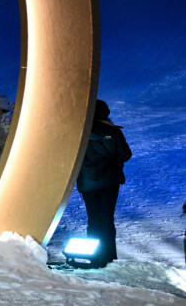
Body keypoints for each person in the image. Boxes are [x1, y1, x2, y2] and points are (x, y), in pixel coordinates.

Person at [76, 99, 132, 267]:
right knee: (107, 219)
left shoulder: (80, 131)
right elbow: (126, 154)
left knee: (93, 219)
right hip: (109, 181)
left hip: (88, 182)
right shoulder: (112, 131)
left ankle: (95, 257)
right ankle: (108, 257)